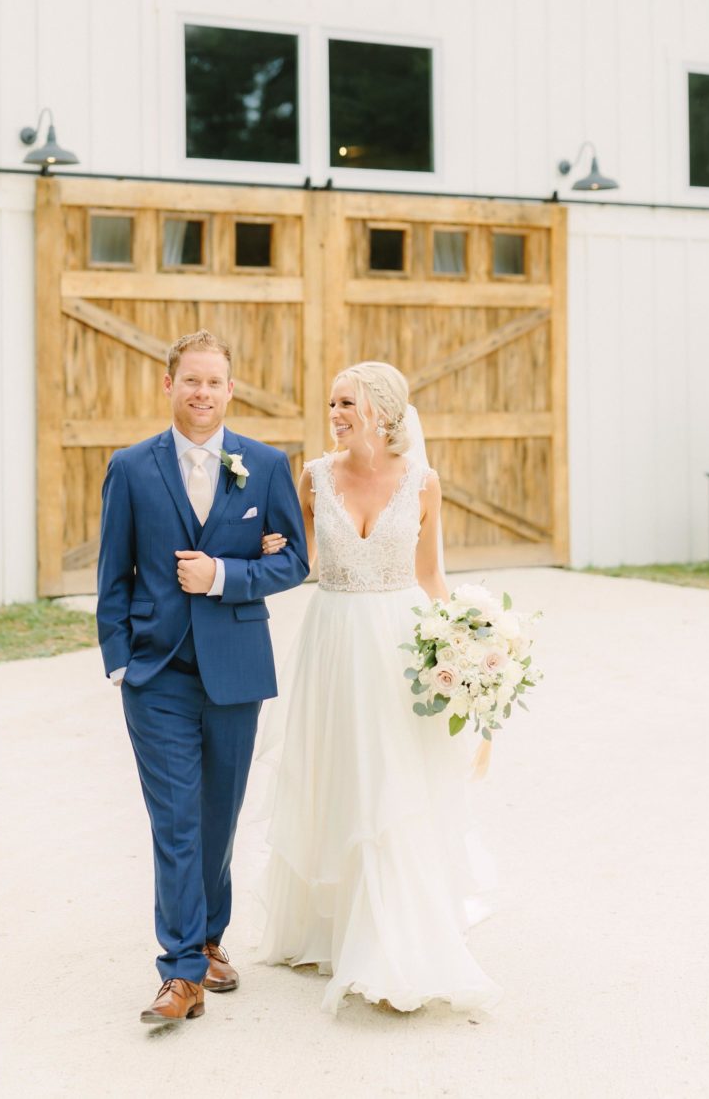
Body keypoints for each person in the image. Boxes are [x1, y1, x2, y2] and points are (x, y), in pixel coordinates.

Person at [255, 361, 502, 1015]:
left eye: (348, 402)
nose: (334, 412)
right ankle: (327, 927)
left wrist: (470, 653)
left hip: (396, 644)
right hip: (332, 642)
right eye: (332, 401)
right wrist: (263, 544)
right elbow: (293, 562)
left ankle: (391, 938)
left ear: (384, 412)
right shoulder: (312, 477)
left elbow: (431, 577)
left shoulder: (423, 483)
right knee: (337, 775)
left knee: (392, 784)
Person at [97, 330, 309, 1026]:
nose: (201, 393)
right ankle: (181, 970)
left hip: (236, 672)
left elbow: (294, 563)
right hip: (156, 676)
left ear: (230, 389)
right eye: (190, 379)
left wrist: (225, 575)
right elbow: (112, 575)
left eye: (214, 382)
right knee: (177, 822)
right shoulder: (131, 469)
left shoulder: (266, 466)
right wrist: (121, 659)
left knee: (217, 820)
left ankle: (211, 938)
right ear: (169, 385)